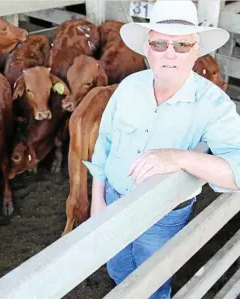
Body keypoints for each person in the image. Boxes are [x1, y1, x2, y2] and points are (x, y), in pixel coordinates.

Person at [82, 0, 240, 298]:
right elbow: (104, 145)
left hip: (164, 214)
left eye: (182, 45)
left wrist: (179, 157)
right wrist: (97, 201)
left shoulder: (213, 103)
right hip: (114, 200)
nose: (170, 53)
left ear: (196, 51)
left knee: (152, 282)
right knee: (117, 268)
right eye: (159, 43)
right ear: (147, 48)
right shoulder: (128, 87)